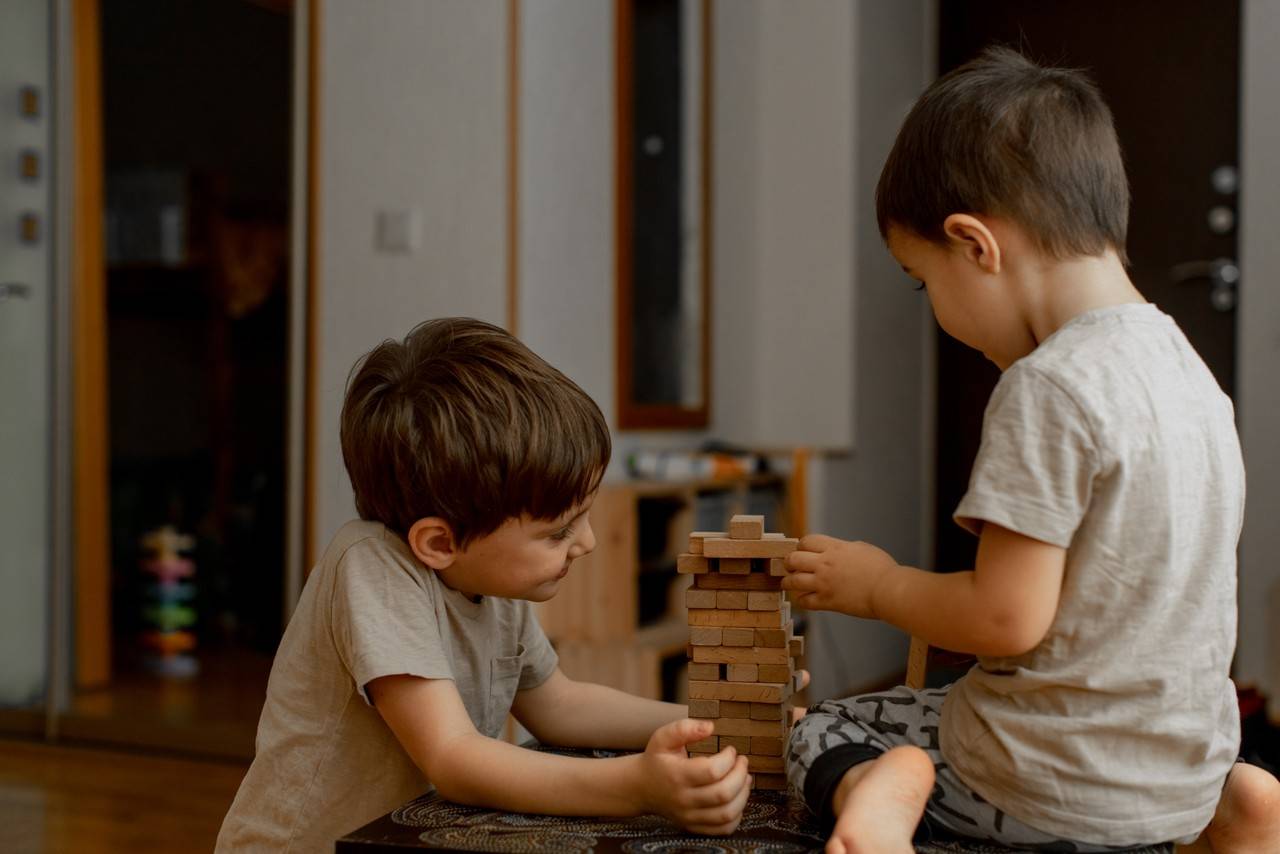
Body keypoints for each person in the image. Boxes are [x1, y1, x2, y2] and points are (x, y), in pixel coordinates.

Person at [782, 47, 1280, 853]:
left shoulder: (1050, 386)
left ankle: (884, 785)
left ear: (975, 245)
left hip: (1050, 787)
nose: (933, 308)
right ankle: (1231, 814)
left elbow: (1005, 618)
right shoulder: (1189, 374)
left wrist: (879, 586)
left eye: (922, 279)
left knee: (821, 727)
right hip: (1179, 771)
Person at [217, 317, 753, 851]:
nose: (586, 542)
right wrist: (637, 787)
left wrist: (723, 722)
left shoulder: (489, 582)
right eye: (559, 530)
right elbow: (455, 759)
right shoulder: (371, 568)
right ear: (439, 543)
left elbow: (559, 706)